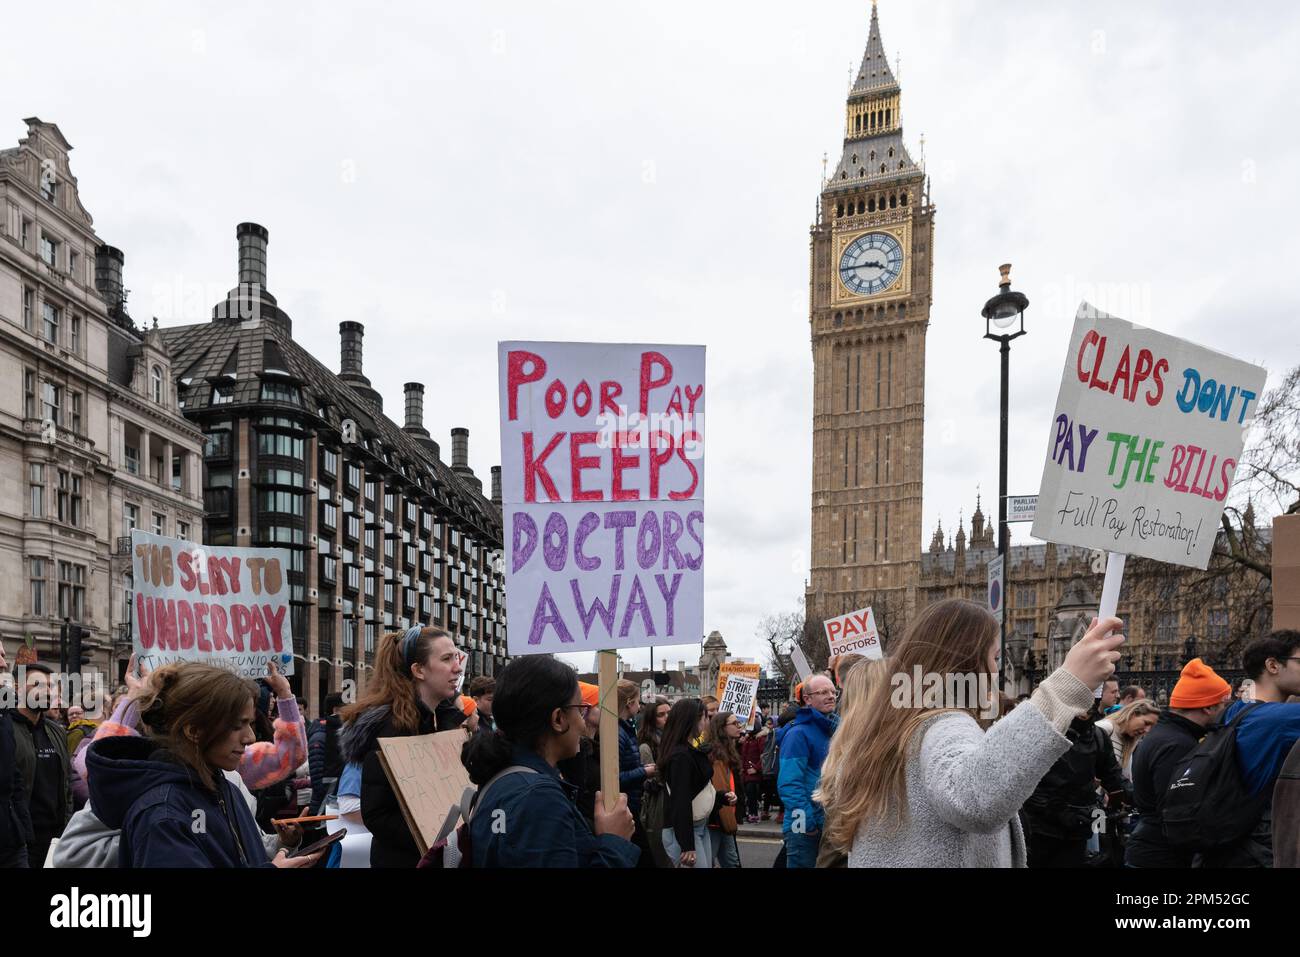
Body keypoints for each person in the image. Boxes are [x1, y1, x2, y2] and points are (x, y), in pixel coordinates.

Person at [816, 598, 1122, 868]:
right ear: (966, 664)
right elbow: (976, 798)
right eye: (994, 658)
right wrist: (1065, 686)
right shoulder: (940, 724)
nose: (995, 670)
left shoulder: (888, 728)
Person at [85, 663, 323, 868]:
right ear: (194, 731)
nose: (250, 737)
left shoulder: (225, 787)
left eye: (250, 724)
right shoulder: (163, 814)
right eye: (238, 725)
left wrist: (282, 847)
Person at [461, 655, 638, 867]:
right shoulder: (538, 796)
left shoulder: (504, 778)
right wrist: (615, 841)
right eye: (580, 710)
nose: (583, 725)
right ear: (558, 719)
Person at [338, 625, 466, 867]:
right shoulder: (393, 728)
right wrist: (434, 840)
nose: (457, 667)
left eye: (456, 657)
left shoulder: (436, 719)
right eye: (447, 659)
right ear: (418, 670)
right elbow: (377, 814)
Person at [1201, 631, 1300, 867]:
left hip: (1227, 843)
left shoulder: (1237, 710)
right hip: (1257, 848)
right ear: (1273, 665)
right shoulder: (1277, 719)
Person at [1125, 658, 1232, 868]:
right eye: (1224, 704)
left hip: (1152, 849)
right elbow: (1177, 811)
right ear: (1209, 707)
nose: (1227, 711)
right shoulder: (1177, 744)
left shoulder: (1166, 734)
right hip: (1161, 855)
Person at [1021, 698, 1128, 869]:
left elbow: (1112, 774)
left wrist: (1132, 794)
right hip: (1039, 829)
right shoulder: (1041, 730)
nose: (1084, 712)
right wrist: (1059, 812)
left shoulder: (1097, 736)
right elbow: (1024, 780)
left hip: (1077, 830)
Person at [9, 662, 72, 867]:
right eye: (37, 684)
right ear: (17, 687)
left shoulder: (58, 732)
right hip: (20, 842)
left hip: (56, 839)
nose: (45, 691)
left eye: (48, 686)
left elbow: (67, 783)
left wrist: (68, 826)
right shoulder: (6, 730)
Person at [778, 672, 837, 868]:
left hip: (830, 823)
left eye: (833, 691)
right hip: (807, 827)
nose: (830, 696)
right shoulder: (798, 734)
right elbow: (789, 784)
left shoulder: (836, 729)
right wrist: (806, 824)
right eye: (823, 692)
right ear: (808, 699)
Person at [659, 698, 726, 868]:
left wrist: (720, 798)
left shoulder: (687, 750)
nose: (707, 723)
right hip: (688, 831)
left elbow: (696, 790)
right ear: (693, 720)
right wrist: (686, 845)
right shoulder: (680, 756)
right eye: (705, 718)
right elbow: (680, 800)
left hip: (697, 826)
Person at [615, 680, 655, 867]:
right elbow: (615, 777)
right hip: (626, 804)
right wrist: (645, 772)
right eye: (638, 701)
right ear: (630, 702)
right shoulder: (618, 733)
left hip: (631, 802)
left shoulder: (625, 729)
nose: (640, 707)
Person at [1, 646, 33, 868]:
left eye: (3, 654)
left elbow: (14, 779)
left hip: (11, 843)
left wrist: (22, 830)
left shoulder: (3, 715)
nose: (3, 663)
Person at [703, 710, 743, 867]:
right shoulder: (715, 755)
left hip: (724, 817)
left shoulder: (728, 752)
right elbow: (719, 787)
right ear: (721, 728)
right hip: (716, 819)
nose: (739, 726)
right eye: (734, 723)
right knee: (709, 861)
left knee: (731, 862)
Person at [637, 695, 671, 867]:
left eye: (669, 713)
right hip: (657, 806)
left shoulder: (672, 739)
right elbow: (647, 782)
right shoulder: (646, 746)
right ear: (652, 719)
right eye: (661, 714)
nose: (667, 717)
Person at [1095, 700, 1161, 780]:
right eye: (1146, 723)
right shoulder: (1105, 727)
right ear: (1133, 714)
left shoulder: (1131, 740)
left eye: (1151, 727)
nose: (1147, 730)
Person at [308, 692, 345, 813]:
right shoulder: (320, 736)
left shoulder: (336, 733)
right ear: (336, 709)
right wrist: (327, 793)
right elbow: (316, 774)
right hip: (324, 801)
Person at [741, 724, 768, 823]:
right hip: (745, 772)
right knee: (746, 792)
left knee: (751, 791)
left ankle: (754, 814)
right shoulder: (747, 739)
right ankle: (748, 813)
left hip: (754, 772)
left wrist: (756, 768)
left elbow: (764, 755)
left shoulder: (760, 739)